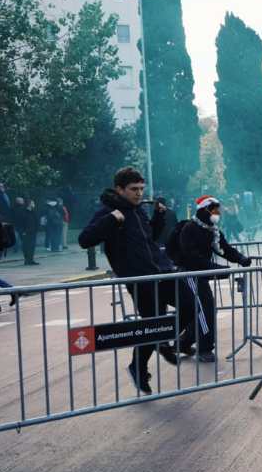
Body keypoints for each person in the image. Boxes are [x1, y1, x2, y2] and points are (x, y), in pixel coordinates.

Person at [78, 167, 194, 395]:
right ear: (119, 189)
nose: (139, 193)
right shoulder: (107, 211)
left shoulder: (138, 210)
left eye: (141, 189)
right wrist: (111, 220)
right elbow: (85, 239)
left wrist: (159, 217)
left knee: (189, 306)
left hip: (162, 270)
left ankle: (164, 340)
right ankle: (138, 368)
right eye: (134, 189)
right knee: (151, 326)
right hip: (140, 278)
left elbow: (150, 236)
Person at [171, 196, 252, 363]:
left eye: (218, 209)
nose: (218, 213)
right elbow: (191, 256)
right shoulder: (190, 228)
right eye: (214, 209)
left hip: (200, 274)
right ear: (204, 210)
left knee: (204, 310)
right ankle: (205, 348)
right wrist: (216, 269)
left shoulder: (212, 230)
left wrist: (241, 259)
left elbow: (225, 249)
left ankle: (182, 343)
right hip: (189, 274)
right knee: (205, 309)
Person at [16, 198, 39, 266]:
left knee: (32, 247)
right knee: (26, 246)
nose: (34, 204)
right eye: (33, 203)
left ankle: (31, 259)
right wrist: (23, 231)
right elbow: (20, 223)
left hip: (33, 232)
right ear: (29, 204)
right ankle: (27, 260)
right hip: (25, 232)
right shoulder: (22, 212)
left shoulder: (33, 211)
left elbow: (36, 221)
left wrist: (36, 229)